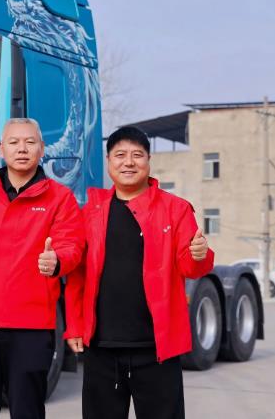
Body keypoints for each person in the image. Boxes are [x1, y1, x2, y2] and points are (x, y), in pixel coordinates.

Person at [65, 126, 214, 419]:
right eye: (120, 155)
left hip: (156, 349)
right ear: (109, 161)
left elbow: (191, 266)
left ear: (148, 160)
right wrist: (74, 326)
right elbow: (78, 275)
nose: (129, 162)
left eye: (137, 155)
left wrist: (200, 255)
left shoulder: (176, 209)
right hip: (102, 348)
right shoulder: (91, 212)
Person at [0, 118, 85, 419]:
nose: (22, 149)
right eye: (14, 142)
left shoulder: (60, 198)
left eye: (30, 142)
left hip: (31, 326)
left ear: (42, 149)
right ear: (2, 150)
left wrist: (57, 261)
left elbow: (72, 246)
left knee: (28, 410)